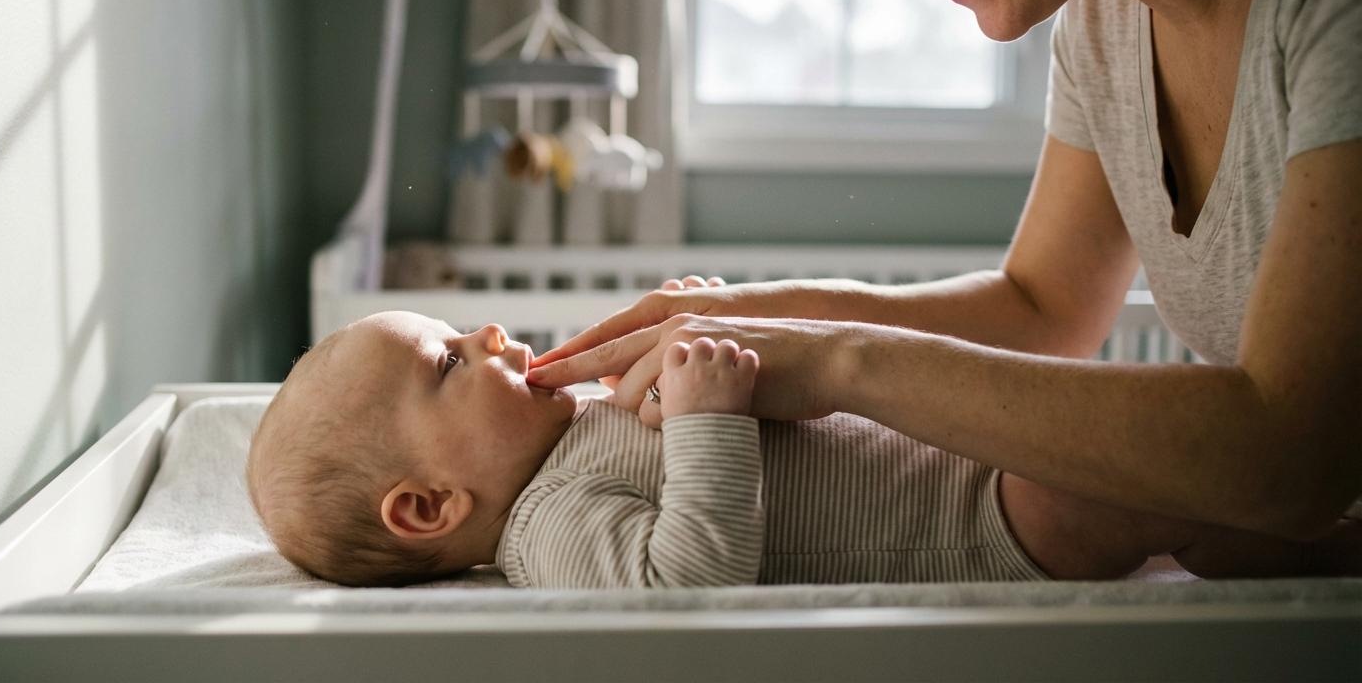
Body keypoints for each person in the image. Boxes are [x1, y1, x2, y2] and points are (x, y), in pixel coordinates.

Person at [525, 0, 1362, 551]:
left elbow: (1295, 454)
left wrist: (836, 361)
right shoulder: (1102, 23)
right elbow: (1042, 307)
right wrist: (755, 317)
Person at [246, 311, 1357, 588]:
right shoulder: (546, 537)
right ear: (429, 507)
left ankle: (1298, 527)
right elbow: (690, 583)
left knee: (1149, 450)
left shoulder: (569, 440)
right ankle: (1323, 534)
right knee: (1136, 490)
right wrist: (704, 419)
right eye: (449, 363)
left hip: (951, 459)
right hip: (967, 529)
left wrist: (697, 353)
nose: (489, 335)